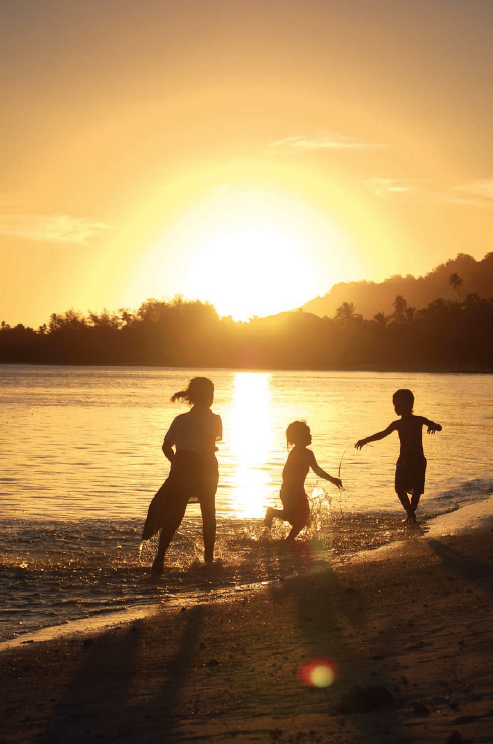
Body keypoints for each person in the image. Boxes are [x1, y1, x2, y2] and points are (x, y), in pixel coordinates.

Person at [142, 377, 222, 574]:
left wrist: (176, 463)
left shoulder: (180, 420)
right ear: (209, 397)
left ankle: (159, 559)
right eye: (211, 393)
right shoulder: (215, 419)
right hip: (206, 467)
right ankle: (209, 561)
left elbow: (166, 447)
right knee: (208, 514)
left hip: (183, 467)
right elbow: (211, 443)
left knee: (175, 516)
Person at [355, 388, 442, 524]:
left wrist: (434, 426)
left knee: (417, 490)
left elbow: (437, 426)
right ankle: (411, 514)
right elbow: (381, 434)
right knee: (399, 488)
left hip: (417, 460)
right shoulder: (397, 424)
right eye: (394, 404)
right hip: (404, 461)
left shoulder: (419, 420)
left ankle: (411, 515)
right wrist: (365, 440)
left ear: (408, 405)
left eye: (397, 405)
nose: (395, 408)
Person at [264, 421, 342, 541]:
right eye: (307, 433)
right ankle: (286, 536)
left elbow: (284, 473)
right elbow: (317, 471)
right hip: (293, 493)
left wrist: (290, 488)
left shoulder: (294, 453)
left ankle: (292, 539)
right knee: (301, 519)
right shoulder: (307, 454)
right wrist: (332, 479)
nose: (310, 436)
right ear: (300, 436)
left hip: (288, 491)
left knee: (297, 518)